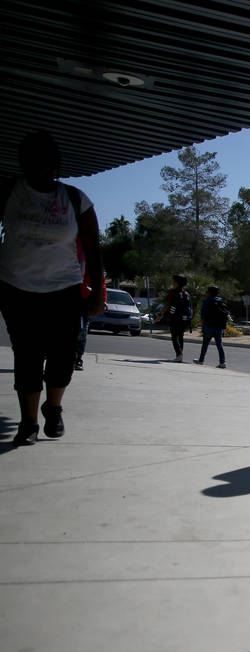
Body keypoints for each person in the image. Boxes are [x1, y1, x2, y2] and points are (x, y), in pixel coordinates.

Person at [0, 130, 105, 445]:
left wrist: (99, 293)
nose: (42, 169)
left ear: (56, 165)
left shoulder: (75, 199)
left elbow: (94, 249)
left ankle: (53, 406)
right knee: (27, 355)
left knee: (63, 356)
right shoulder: (8, 193)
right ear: (24, 163)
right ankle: (28, 423)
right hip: (16, 287)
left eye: (47, 163)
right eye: (34, 162)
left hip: (65, 289)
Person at [194, 285, 229, 368]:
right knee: (219, 345)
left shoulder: (206, 301)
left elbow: (203, 315)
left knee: (205, 344)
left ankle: (201, 360)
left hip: (208, 326)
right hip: (219, 326)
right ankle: (222, 362)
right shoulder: (220, 301)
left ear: (209, 293)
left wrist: (202, 325)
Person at [159, 274, 191, 362]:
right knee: (180, 336)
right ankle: (180, 354)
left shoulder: (172, 292)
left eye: (173, 281)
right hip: (184, 319)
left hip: (174, 318)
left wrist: (160, 315)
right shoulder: (186, 294)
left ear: (177, 283)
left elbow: (167, 305)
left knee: (174, 336)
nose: (172, 283)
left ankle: (179, 354)